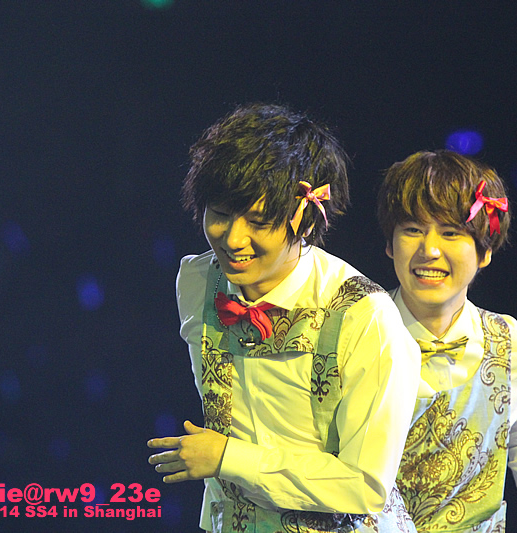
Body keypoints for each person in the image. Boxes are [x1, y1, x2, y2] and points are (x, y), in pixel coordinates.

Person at [147, 103, 420, 533]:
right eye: (220, 214)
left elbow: (364, 485)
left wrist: (228, 458)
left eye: (258, 222)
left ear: (305, 221)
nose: (233, 239)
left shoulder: (365, 318)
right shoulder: (198, 282)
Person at [377, 150, 517, 533]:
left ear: (485, 250)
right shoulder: (355, 331)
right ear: (390, 244)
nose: (429, 250)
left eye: (450, 233)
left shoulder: (516, 346)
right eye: (413, 230)